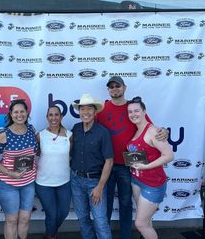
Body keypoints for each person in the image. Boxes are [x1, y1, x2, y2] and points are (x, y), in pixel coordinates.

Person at [96, 76, 168, 239]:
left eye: (117, 86)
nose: (115, 89)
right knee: (105, 205)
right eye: (111, 87)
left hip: (129, 164)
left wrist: (164, 131)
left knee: (126, 203)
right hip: (106, 164)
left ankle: (125, 236)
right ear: (108, 90)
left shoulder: (133, 108)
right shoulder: (102, 109)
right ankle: (104, 236)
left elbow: (152, 128)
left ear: (124, 88)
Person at [0, 99, 38, 239]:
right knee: (11, 220)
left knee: (25, 219)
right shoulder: (3, 134)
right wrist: (11, 173)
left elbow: (35, 152)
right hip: (8, 185)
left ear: (27, 113)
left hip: (28, 184)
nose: (19, 115)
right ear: (11, 114)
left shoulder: (31, 130)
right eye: (15, 112)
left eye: (22, 111)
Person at [127, 96, 174, 239]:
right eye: (130, 112)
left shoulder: (153, 131)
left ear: (144, 111)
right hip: (136, 181)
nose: (133, 114)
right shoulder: (136, 130)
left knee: (141, 224)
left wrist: (145, 167)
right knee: (146, 222)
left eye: (136, 111)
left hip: (153, 184)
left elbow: (169, 156)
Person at [70, 93, 113, 239]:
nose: (85, 112)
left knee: (100, 221)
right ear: (79, 112)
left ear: (95, 112)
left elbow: (109, 161)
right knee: (82, 219)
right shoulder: (75, 129)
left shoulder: (103, 132)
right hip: (76, 180)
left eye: (89, 109)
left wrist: (100, 187)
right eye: (82, 109)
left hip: (95, 182)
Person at [35, 106, 72, 239]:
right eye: (50, 115)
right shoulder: (40, 135)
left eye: (56, 115)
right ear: (47, 117)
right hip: (43, 182)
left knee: (63, 212)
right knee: (52, 214)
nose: (54, 118)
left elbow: (72, 155)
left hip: (64, 181)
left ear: (61, 117)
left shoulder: (69, 135)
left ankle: (49, 233)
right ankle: (51, 236)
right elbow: (32, 154)